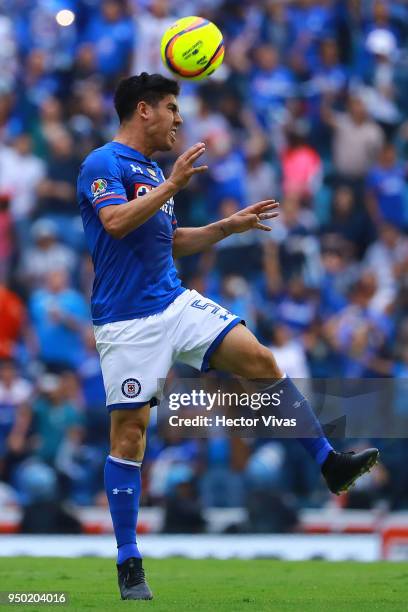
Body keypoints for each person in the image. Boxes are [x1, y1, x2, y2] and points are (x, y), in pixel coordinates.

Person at [77, 73, 379, 601]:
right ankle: (129, 562)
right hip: (126, 322)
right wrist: (172, 186)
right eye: (171, 107)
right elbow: (117, 222)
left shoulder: (150, 169)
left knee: (261, 359)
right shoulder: (102, 164)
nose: (179, 118)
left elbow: (168, 241)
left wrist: (227, 227)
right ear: (143, 110)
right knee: (130, 439)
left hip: (173, 301)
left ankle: (329, 462)